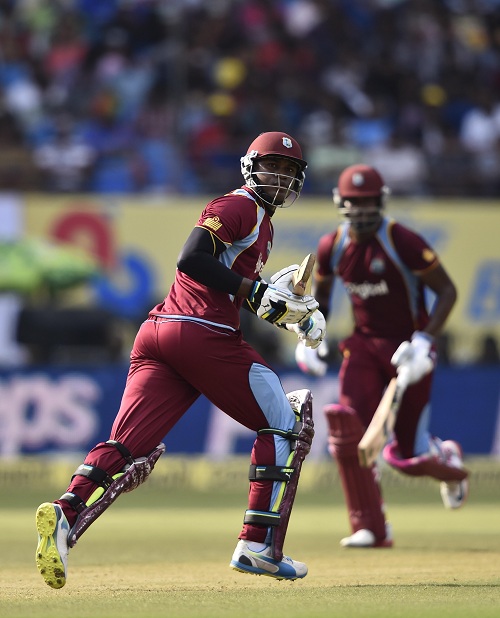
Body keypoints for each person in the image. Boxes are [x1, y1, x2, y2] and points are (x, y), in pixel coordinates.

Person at [34, 131, 327, 588]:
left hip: (160, 334)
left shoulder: (260, 223)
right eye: (273, 167)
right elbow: (191, 258)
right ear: (251, 166)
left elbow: (229, 283)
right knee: (289, 421)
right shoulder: (240, 205)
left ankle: (64, 511)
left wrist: (289, 315)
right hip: (202, 334)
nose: (281, 177)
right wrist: (256, 291)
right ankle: (257, 545)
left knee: (128, 446)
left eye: (289, 171)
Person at [295, 163, 469, 548]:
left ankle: (451, 465)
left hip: (409, 350)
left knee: (408, 457)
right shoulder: (332, 246)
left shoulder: (400, 240)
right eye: (354, 202)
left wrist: (425, 340)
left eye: (368, 201)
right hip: (362, 346)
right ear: (340, 203)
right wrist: (312, 337)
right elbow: (319, 302)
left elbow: (448, 291)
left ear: (381, 201)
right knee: (348, 431)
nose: (361, 210)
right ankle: (371, 527)